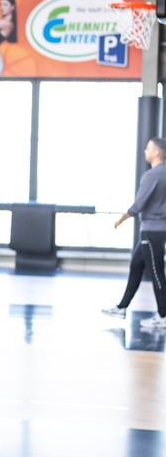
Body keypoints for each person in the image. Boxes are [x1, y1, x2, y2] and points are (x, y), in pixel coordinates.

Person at [102, 137, 166, 328]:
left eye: (148, 148)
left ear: (157, 152)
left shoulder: (152, 175)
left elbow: (139, 204)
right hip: (156, 231)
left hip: (151, 231)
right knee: (136, 265)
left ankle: (163, 316)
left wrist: (122, 218)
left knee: (156, 272)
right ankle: (122, 307)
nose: (145, 151)